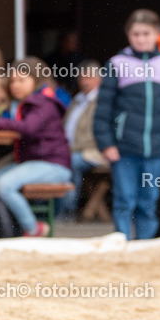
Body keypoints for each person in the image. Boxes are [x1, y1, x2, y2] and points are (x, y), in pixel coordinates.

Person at [94, 9, 160, 240]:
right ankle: (121, 244)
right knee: (125, 198)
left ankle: (144, 246)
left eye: (146, 33)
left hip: (157, 148)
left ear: (157, 34)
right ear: (128, 35)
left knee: (149, 200)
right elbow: (103, 108)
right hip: (124, 147)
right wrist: (106, 143)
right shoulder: (116, 64)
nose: (141, 38)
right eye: (136, 33)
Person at [0, 57, 71, 236]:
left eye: (22, 80)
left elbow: (28, 128)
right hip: (31, 162)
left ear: (37, 80)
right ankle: (5, 227)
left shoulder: (44, 103)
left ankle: (33, 229)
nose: (15, 85)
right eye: (13, 80)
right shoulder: (23, 104)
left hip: (53, 164)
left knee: (4, 185)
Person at [59, 60, 105, 215]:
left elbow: (97, 135)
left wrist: (68, 149)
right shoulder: (77, 100)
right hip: (70, 149)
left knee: (71, 161)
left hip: (93, 152)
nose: (85, 81)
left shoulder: (102, 102)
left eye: (89, 77)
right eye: (82, 78)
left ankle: (68, 209)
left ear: (100, 79)